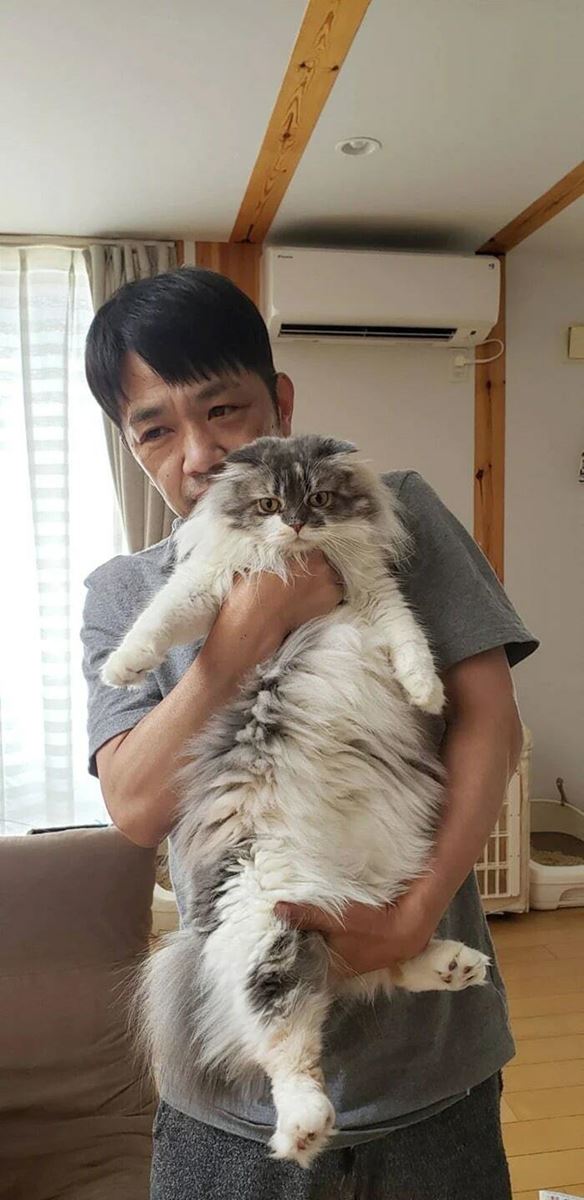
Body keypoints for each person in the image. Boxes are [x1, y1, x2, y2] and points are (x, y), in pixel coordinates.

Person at [82, 267, 537, 1200]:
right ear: (129, 444)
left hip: (430, 1070)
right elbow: (133, 807)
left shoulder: (390, 508)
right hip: (232, 1098)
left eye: (224, 409)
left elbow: (491, 724)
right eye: (155, 429)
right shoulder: (126, 592)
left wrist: (408, 920)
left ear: (281, 403)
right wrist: (247, 629)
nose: (199, 454)